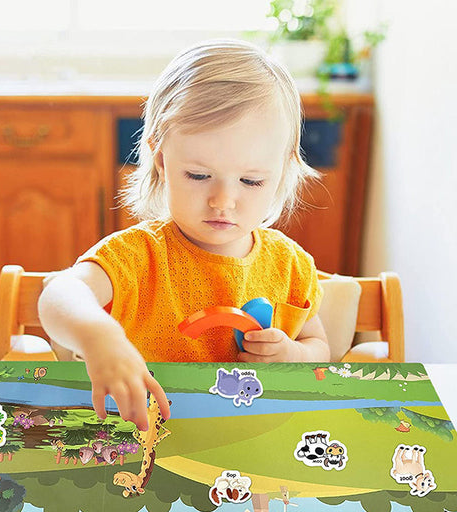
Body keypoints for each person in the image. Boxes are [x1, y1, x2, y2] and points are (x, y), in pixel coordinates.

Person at [38, 38, 330, 431]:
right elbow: (59, 294)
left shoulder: (290, 265)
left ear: (283, 170)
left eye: (251, 181)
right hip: (147, 434)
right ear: (161, 159)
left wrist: (293, 355)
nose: (223, 200)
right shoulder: (137, 256)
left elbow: (319, 348)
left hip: (250, 436)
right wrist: (99, 336)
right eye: (198, 175)